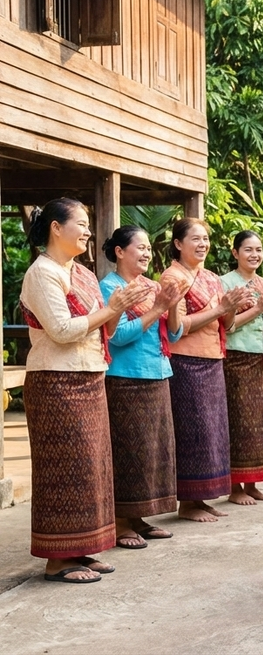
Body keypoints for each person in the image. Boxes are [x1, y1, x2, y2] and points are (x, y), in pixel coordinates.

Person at [20, 199, 149, 583]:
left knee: (91, 468)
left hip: (91, 374)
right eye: (82, 223)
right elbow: (61, 331)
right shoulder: (42, 273)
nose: (89, 231)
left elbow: (106, 330)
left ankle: (84, 548)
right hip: (55, 380)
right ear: (56, 228)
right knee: (63, 470)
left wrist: (119, 309)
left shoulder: (86, 275)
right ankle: (57, 559)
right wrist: (112, 309)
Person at [160, 219, 253, 522]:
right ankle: (188, 502)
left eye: (206, 239)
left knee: (212, 432)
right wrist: (219, 309)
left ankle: (201, 499)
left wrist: (232, 308)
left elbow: (226, 324)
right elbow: (178, 328)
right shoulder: (172, 277)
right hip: (185, 361)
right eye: (195, 239)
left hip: (213, 357)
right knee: (192, 431)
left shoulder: (211, 277)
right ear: (178, 244)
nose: (202, 245)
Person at [100, 226, 186, 550]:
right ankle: (121, 521)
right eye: (140, 247)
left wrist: (173, 302)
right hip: (125, 379)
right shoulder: (110, 286)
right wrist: (158, 308)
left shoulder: (153, 286)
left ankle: (138, 517)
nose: (148, 253)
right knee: (128, 451)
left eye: (150, 248)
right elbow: (116, 335)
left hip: (158, 374)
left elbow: (174, 335)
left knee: (152, 452)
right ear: (120, 252)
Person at [221, 230, 263, 506]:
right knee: (238, 421)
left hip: (261, 360)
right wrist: (257, 309)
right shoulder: (224, 283)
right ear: (235, 253)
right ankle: (235, 487)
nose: (254, 255)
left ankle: (253, 483)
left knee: (259, 423)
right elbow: (228, 325)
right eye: (248, 249)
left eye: (258, 250)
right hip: (234, 358)